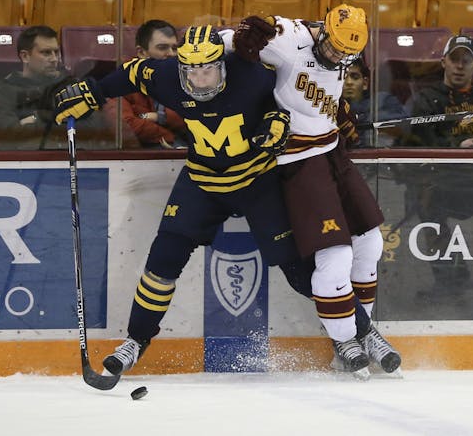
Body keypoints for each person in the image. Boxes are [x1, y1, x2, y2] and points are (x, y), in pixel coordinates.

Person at [51, 25, 375, 380]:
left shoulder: (251, 74)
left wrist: (278, 123)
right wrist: (93, 91)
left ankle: (361, 332)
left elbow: (286, 102)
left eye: (207, 69)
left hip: (255, 182)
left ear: (222, 63)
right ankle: (136, 341)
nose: (199, 79)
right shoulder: (166, 76)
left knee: (300, 272)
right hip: (202, 183)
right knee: (162, 262)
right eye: (191, 71)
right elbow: (130, 73)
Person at [228, 6, 403, 376]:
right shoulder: (290, 38)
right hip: (298, 160)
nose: (338, 57)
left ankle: (357, 338)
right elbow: (222, 44)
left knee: (370, 243)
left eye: (346, 54)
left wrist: (337, 112)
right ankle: (350, 336)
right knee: (335, 255)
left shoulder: (343, 51)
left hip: (332, 150)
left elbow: (325, 92)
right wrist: (240, 39)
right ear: (323, 31)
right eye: (334, 48)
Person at [104, 19, 186, 148]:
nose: (171, 54)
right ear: (142, 53)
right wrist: (170, 137)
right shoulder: (121, 81)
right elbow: (125, 126)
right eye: (162, 48)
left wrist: (159, 117)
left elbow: (197, 117)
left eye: (175, 48)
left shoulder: (190, 78)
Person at [0, 24, 66, 147]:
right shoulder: (4, 90)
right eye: (46, 53)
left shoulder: (68, 83)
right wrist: (56, 118)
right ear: (25, 56)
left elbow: (93, 125)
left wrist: (35, 118)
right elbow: (9, 134)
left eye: (56, 52)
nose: (54, 59)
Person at [340, 57, 403, 147]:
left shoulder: (384, 101)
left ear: (365, 83)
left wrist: (367, 118)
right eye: (344, 77)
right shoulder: (328, 108)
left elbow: (402, 127)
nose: (349, 82)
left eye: (355, 77)